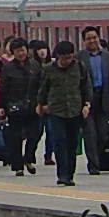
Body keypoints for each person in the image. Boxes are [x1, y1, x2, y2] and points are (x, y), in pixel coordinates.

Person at [36, 40, 92, 187]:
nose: (67, 61)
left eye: (69, 57)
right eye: (64, 58)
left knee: (72, 144)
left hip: (75, 110)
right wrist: (40, 104)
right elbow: (43, 88)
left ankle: (70, 174)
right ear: (58, 56)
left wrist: (87, 104)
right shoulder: (49, 69)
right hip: (56, 111)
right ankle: (62, 175)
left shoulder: (79, 67)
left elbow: (86, 86)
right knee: (60, 141)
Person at [0, 38, 42, 177]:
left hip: (33, 105)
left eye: (23, 50)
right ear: (13, 53)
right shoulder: (8, 68)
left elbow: (41, 85)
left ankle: (28, 157)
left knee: (36, 133)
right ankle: (18, 166)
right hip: (14, 106)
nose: (21, 53)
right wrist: (1, 106)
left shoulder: (34, 65)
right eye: (17, 51)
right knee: (15, 138)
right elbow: (3, 88)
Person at [79, 27, 109, 176]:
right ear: (84, 41)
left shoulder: (107, 56)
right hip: (87, 99)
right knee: (90, 134)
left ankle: (97, 158)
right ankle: (94, 165)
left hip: (104, 97)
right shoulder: (80, 57)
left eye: (94, 37)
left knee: (103, 134)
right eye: (89, 38)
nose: (92, 41)